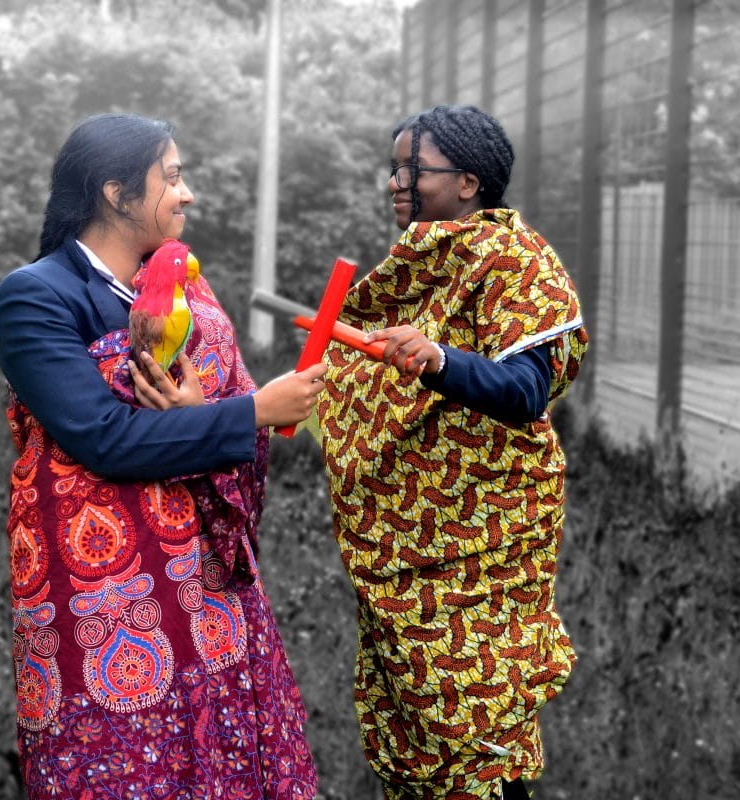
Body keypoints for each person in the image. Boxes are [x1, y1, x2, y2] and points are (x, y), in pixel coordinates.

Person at [0, 112, 323, 800]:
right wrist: (253, 412)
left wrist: (212, 414)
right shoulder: (37, 296)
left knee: (214, 757)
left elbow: (196, 414)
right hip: (105, 603)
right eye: (171, 177)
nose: (187, 193)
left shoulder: (180, 289)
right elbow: (102, 438)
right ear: (116, 192)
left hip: (204, 587)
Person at [315, 104, 588, 800]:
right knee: (413, 727)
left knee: (476, 732)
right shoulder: (420, 260)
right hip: (402, 545)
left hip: (477, 543)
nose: (395, 183)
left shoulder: (518, 263)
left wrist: (439, 358)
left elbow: (528, 389)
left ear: (468, 182)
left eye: (413, 169)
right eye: (394, 167)